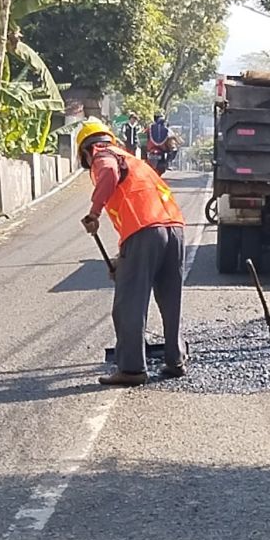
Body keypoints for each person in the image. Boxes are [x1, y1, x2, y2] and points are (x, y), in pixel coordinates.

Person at [75, 119, 187, 387]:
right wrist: (121, 261)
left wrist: (94, 212)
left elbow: (110, 174)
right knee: (171, 300)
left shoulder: (104, 156)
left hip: (145, 231)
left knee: (129, 303)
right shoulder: (133, 159)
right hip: (174, 228)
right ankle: (176, 360)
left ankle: (132, 368)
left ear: (86, 151)